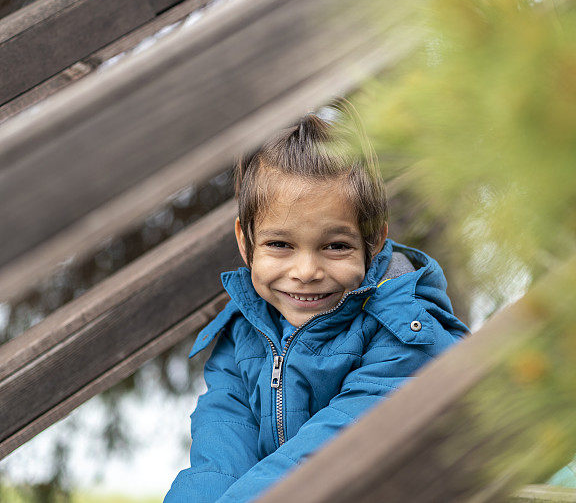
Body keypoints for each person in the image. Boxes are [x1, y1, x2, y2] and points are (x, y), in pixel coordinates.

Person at [164, 109, 470, 502]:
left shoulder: (406, 332)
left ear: (373, 241)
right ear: (246, 242)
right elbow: (221, 453)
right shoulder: (242, 334)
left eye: (336, 246)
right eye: (280, 245)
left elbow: (335, 449)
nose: (306, 271)